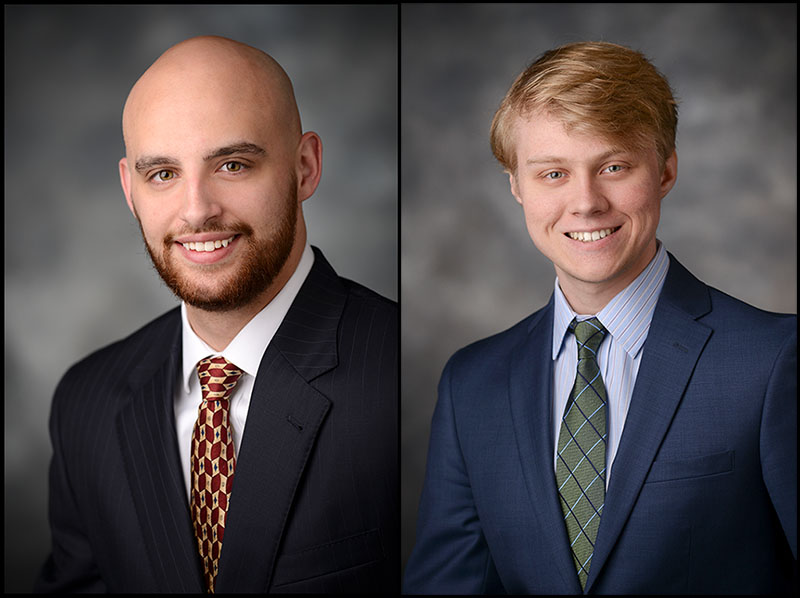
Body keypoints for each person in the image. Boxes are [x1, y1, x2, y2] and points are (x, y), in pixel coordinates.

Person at [403, 41, 796, 594]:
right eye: (553, 174)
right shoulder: (473, 383)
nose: (586, 202)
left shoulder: (774, 361)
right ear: (516, 185)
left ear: (664, 171)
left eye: (613, 166)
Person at [36, 35, 397, 594]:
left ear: (305, 167)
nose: (197, 209)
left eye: (232, 164)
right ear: (130, 189)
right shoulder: (86, 404)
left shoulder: (409, 374)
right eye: (163, 174)